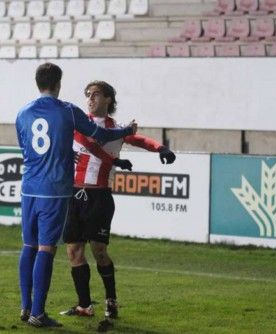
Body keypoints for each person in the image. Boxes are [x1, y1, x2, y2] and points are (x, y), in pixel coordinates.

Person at [15, 64, 138, 328]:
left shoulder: (22, 112)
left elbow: (27, 148)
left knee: (29, 246)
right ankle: (38, 314)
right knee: (47, 248)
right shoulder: (68, 111)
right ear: (58, 83)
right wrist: (126, 131)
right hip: (55, 191)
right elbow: (102, 134)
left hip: (28, 188)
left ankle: (25, 308)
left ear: (38, 83)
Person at [60, 81, 176, 320]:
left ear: (109, 99)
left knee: (99, 251)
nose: (90, 99)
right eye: (88, 95)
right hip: (74, 193)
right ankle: (84, 306)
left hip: (99, 195)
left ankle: (111, 300)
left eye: (95, 94)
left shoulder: (117, 129)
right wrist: (113, 161)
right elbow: (89, 143)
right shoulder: (80, 123)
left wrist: (161, 147)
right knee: (73, 251)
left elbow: (140, 140)